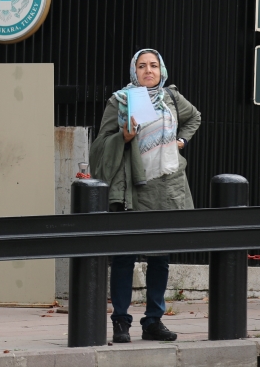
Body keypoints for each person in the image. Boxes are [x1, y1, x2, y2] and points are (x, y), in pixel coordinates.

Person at [89, 49, 201, 343]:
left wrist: (181, 141)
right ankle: (121, 321)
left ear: (161, 70)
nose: (148, 70)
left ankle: (153, 321)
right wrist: (123, 138)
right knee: (124, 257)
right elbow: (100, 145)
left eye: (153, 65)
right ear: (133, 71)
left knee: (160, 259)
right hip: (133, 187)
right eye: (142, 66)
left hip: (166, 186)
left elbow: (195, 118)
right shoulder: (121, 100)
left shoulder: (171, 98)